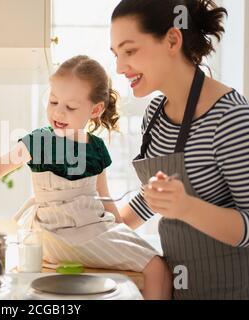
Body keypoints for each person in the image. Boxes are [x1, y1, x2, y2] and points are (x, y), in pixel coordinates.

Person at [0, 55, 172, 299]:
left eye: (70, 107)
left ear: (95, 109)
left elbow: (104, 198)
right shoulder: (40, 141)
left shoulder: (96, 148)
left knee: (159, 266)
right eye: (53, 101)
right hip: (56, 236)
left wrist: (123, 232)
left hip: (91, 229)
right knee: (156, 267)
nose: (58, 112)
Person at [110, 0, 249, 299]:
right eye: (116, 55)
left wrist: (187, 208)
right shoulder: (155, 113)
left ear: (173, 40)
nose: (120, 67)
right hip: (181, 287)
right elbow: (156, 200)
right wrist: (103, 227)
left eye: (129, 51)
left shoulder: (231, 118)